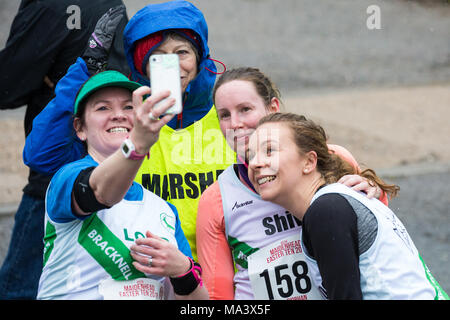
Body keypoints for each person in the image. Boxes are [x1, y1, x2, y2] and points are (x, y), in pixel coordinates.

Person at [23, 0, 234, 260]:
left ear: (200, 56)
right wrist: (85, 70)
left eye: (182, 53)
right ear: (141, 66)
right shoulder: (123, 122)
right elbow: (41, 155)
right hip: (143, 275)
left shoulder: (227, 111)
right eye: (158, 57)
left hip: (223, 279)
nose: (173, 65)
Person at [196, 67, 385, 300]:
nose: (234, 124)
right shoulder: (216, 199)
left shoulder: (332, 157)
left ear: (273, 108)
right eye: (224, 115)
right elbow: (217, 296)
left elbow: (378, 239)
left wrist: (372, 193)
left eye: (245, 109)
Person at [37, 70, 207, 300]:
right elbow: (100, 192)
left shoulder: (164, 210)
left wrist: (183, 272)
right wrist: (136, 144)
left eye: (128, 107)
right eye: (103, 108)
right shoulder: (67, 177)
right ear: (80, 128)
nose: (118, 115)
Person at [0, 0, 128, 299]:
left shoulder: (51, 4)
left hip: (59, 172)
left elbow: (8, 85)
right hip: (91, 171)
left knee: (20, 288)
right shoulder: (112, 4)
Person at [247, 112, 449, 300]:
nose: (255, 163)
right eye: (251, 155)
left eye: (269, 150)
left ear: (309, 161)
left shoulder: (326, 211)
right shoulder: (335, 201)